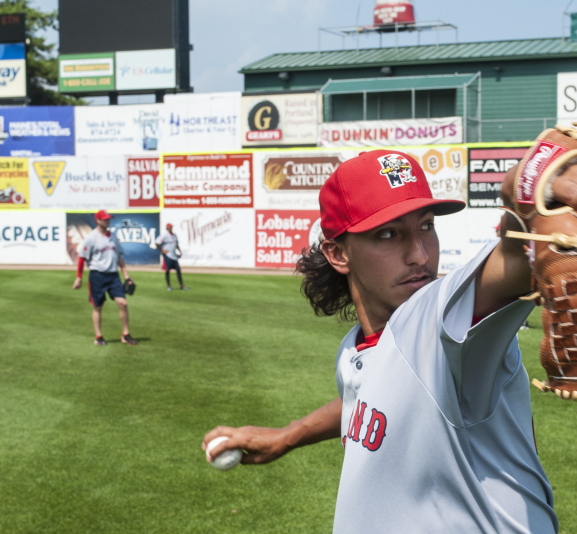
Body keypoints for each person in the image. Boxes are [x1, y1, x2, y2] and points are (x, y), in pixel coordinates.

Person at [202, 150, 557, 533]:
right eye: (388, 234)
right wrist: (290, 434)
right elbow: (370, 396)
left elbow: (520, 258)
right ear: (338, 253)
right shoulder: (356, 350)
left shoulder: (441, 325)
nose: (419, 254)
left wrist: (547, 183)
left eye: (426, 226)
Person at [71, 210, 138, 346]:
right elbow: (82, 258)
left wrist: (126, 274)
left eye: (109, 219)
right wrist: (79, 277)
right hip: (97, 276)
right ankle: (99, 336)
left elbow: (119, 256)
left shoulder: (113, 237)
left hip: (113, 276)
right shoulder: (91, 238)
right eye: (105, 219)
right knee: (98, 306)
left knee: (123, 303)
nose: (108, 221)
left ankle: (125, 334)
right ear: (98, 221)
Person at [155, 223, 188, 291]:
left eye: (171, 227)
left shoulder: (174, 235)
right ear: (167, 228)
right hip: (168, 255)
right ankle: (169, 286)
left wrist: (180, 251)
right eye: (169, 227)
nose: (171, 228)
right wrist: (162, 250)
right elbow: (157, 242)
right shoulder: (164, 235)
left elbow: (176, 244)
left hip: (174, 255)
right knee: (168, 270)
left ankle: (182, 285)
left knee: (178, 270)